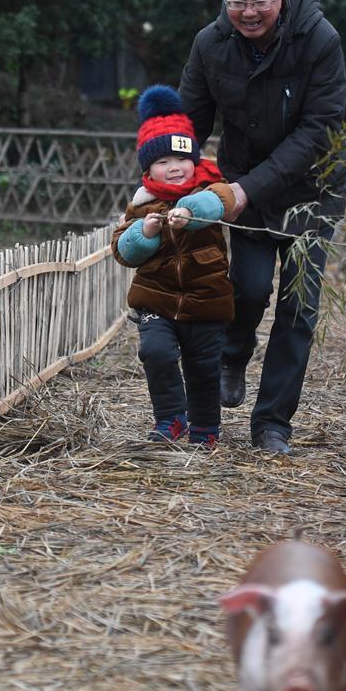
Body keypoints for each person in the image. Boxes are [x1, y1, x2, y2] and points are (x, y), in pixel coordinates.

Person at [179, 0, 346, 455]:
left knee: (298, 307)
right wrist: (164, 173)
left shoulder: (320, 40)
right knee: (248, 289)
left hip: (311, 192)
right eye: (237, 1)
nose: (248, 12)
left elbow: (318, 132)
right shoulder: (210, 44)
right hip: (246, 190)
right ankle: (234, 354)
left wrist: (244, 188)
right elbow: (189, 122)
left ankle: (272, 423)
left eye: (259, 1)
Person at [111, 84, 237, 449]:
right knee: (156, 352)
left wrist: (192, 211)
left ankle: (205, 426)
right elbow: (122, 250)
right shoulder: (141, 205)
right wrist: (145, 232)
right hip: (157, 300)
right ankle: (170, 417)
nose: (174, 168)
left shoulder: (210, 188)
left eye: (181, 159)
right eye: (163, 162)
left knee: (204, 366)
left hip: (206, 300)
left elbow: (225, 200)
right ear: (148, 169)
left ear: (194, 160)